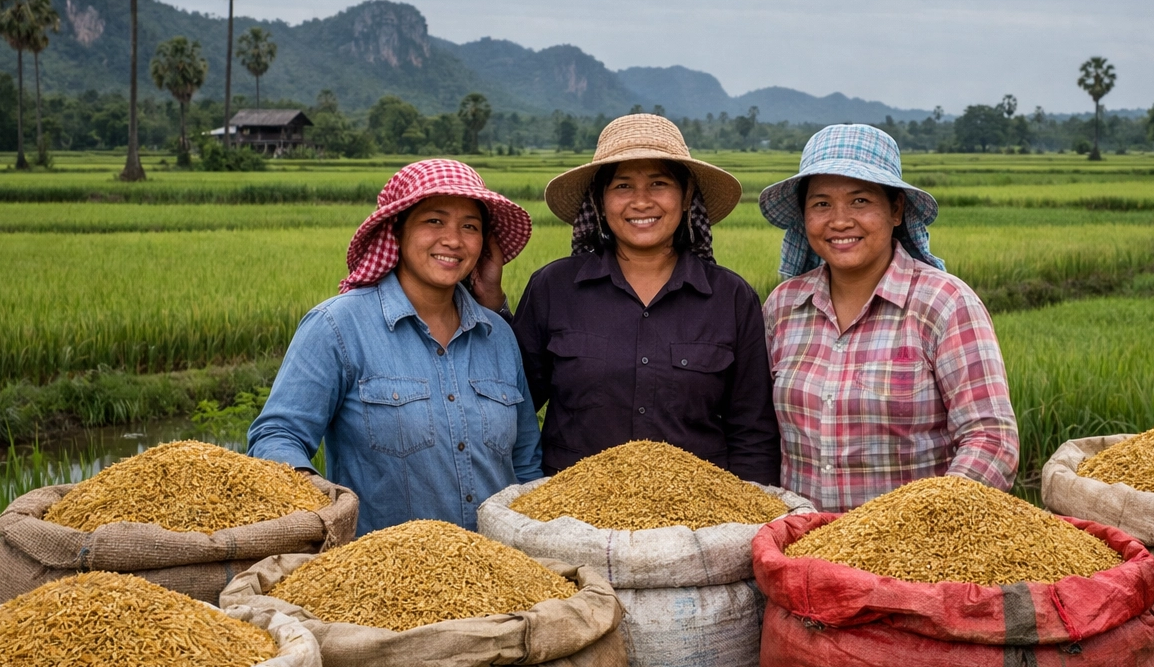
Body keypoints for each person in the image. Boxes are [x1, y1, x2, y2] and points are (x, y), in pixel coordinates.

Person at [247, 159, 541, 535]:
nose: (453, 239)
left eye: (470, 226)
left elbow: (527, 464)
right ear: (396, 232)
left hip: (494, 573)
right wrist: (321, 501)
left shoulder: (498, 335)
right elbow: (277, 436)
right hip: (382, 574)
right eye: (434, 221)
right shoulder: (338, 326)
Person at [485, 115, 780, 485]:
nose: (641, 201)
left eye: (659, 183)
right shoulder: (553, 288)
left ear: (687, 196)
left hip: (700, 518)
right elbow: (512, 405)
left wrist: (747, 518)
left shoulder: (730, 298)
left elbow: (753, 432)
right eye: (623, 186)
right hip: (571, 515)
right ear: (601, 200)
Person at [758, 124, 1017, 512]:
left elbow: (991, 440)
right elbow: (758, 432)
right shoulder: (783, 307)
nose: (840, 220)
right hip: (802, 551)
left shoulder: (945, 304)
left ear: (896, 210)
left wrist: (921, 526)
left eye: (860, 201)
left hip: (912, 557)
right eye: (821, 203)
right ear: (804, 215)